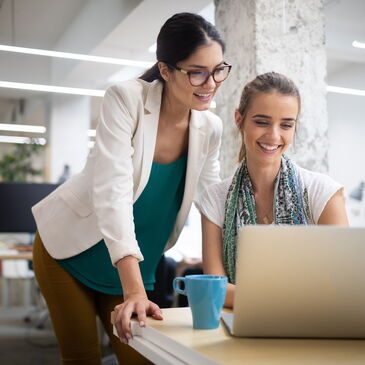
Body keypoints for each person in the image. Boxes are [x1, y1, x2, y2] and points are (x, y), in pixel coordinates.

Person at [31, 12, 231, 365]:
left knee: (143, 357)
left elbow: (212, 200)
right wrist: (135, 289)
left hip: (138, 266)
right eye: (197, 71)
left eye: (218, 69)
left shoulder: (210, 127)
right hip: (71, 250)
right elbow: (112, 191)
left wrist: (229, 267)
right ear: (166, 70)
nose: (211, 82)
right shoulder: (127, 99)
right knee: (83, 357)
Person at [197, 72, 348, 309]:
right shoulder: (215, 199)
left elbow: (342, 284)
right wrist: (291, 298)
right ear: (239, 120)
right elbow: (215, 289)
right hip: (239, 331)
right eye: (261, 122)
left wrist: (253, 297)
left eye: (286, 125)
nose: (274, 135)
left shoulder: (323, 193)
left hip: (312, 330)